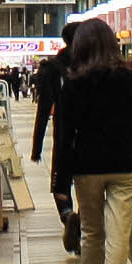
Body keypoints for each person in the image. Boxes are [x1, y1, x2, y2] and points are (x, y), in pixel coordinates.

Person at [51, 18, 132, 264]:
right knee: (119, 234)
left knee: (92, 232)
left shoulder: (73, 84)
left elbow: (65, 136)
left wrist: (61, 180)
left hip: (88, 166)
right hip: (128, 166)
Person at [28, 46, 78, 253]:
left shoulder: (53, 68)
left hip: (64, 135)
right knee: (89, 185)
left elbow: (44, 108)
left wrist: (37, 147)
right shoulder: (93, 64)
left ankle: (68, 214)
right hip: (92, 137)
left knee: (61, 185)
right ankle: (84, 222)